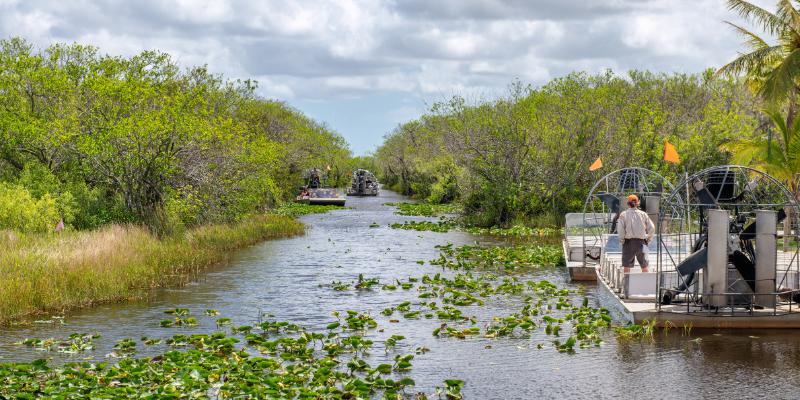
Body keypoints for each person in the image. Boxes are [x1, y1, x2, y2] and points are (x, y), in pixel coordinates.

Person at [617, 194, 655, 273]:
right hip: (642, 242)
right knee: (644, 265)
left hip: (628, 243)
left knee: (627, 266)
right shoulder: (643, 214)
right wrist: (648, 239)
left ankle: (626, 284)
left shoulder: (623, 214)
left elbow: (620, 230)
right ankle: (646, 282)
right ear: (638, 203)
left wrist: (622, 240)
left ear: (628, 203)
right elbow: (652, 228)